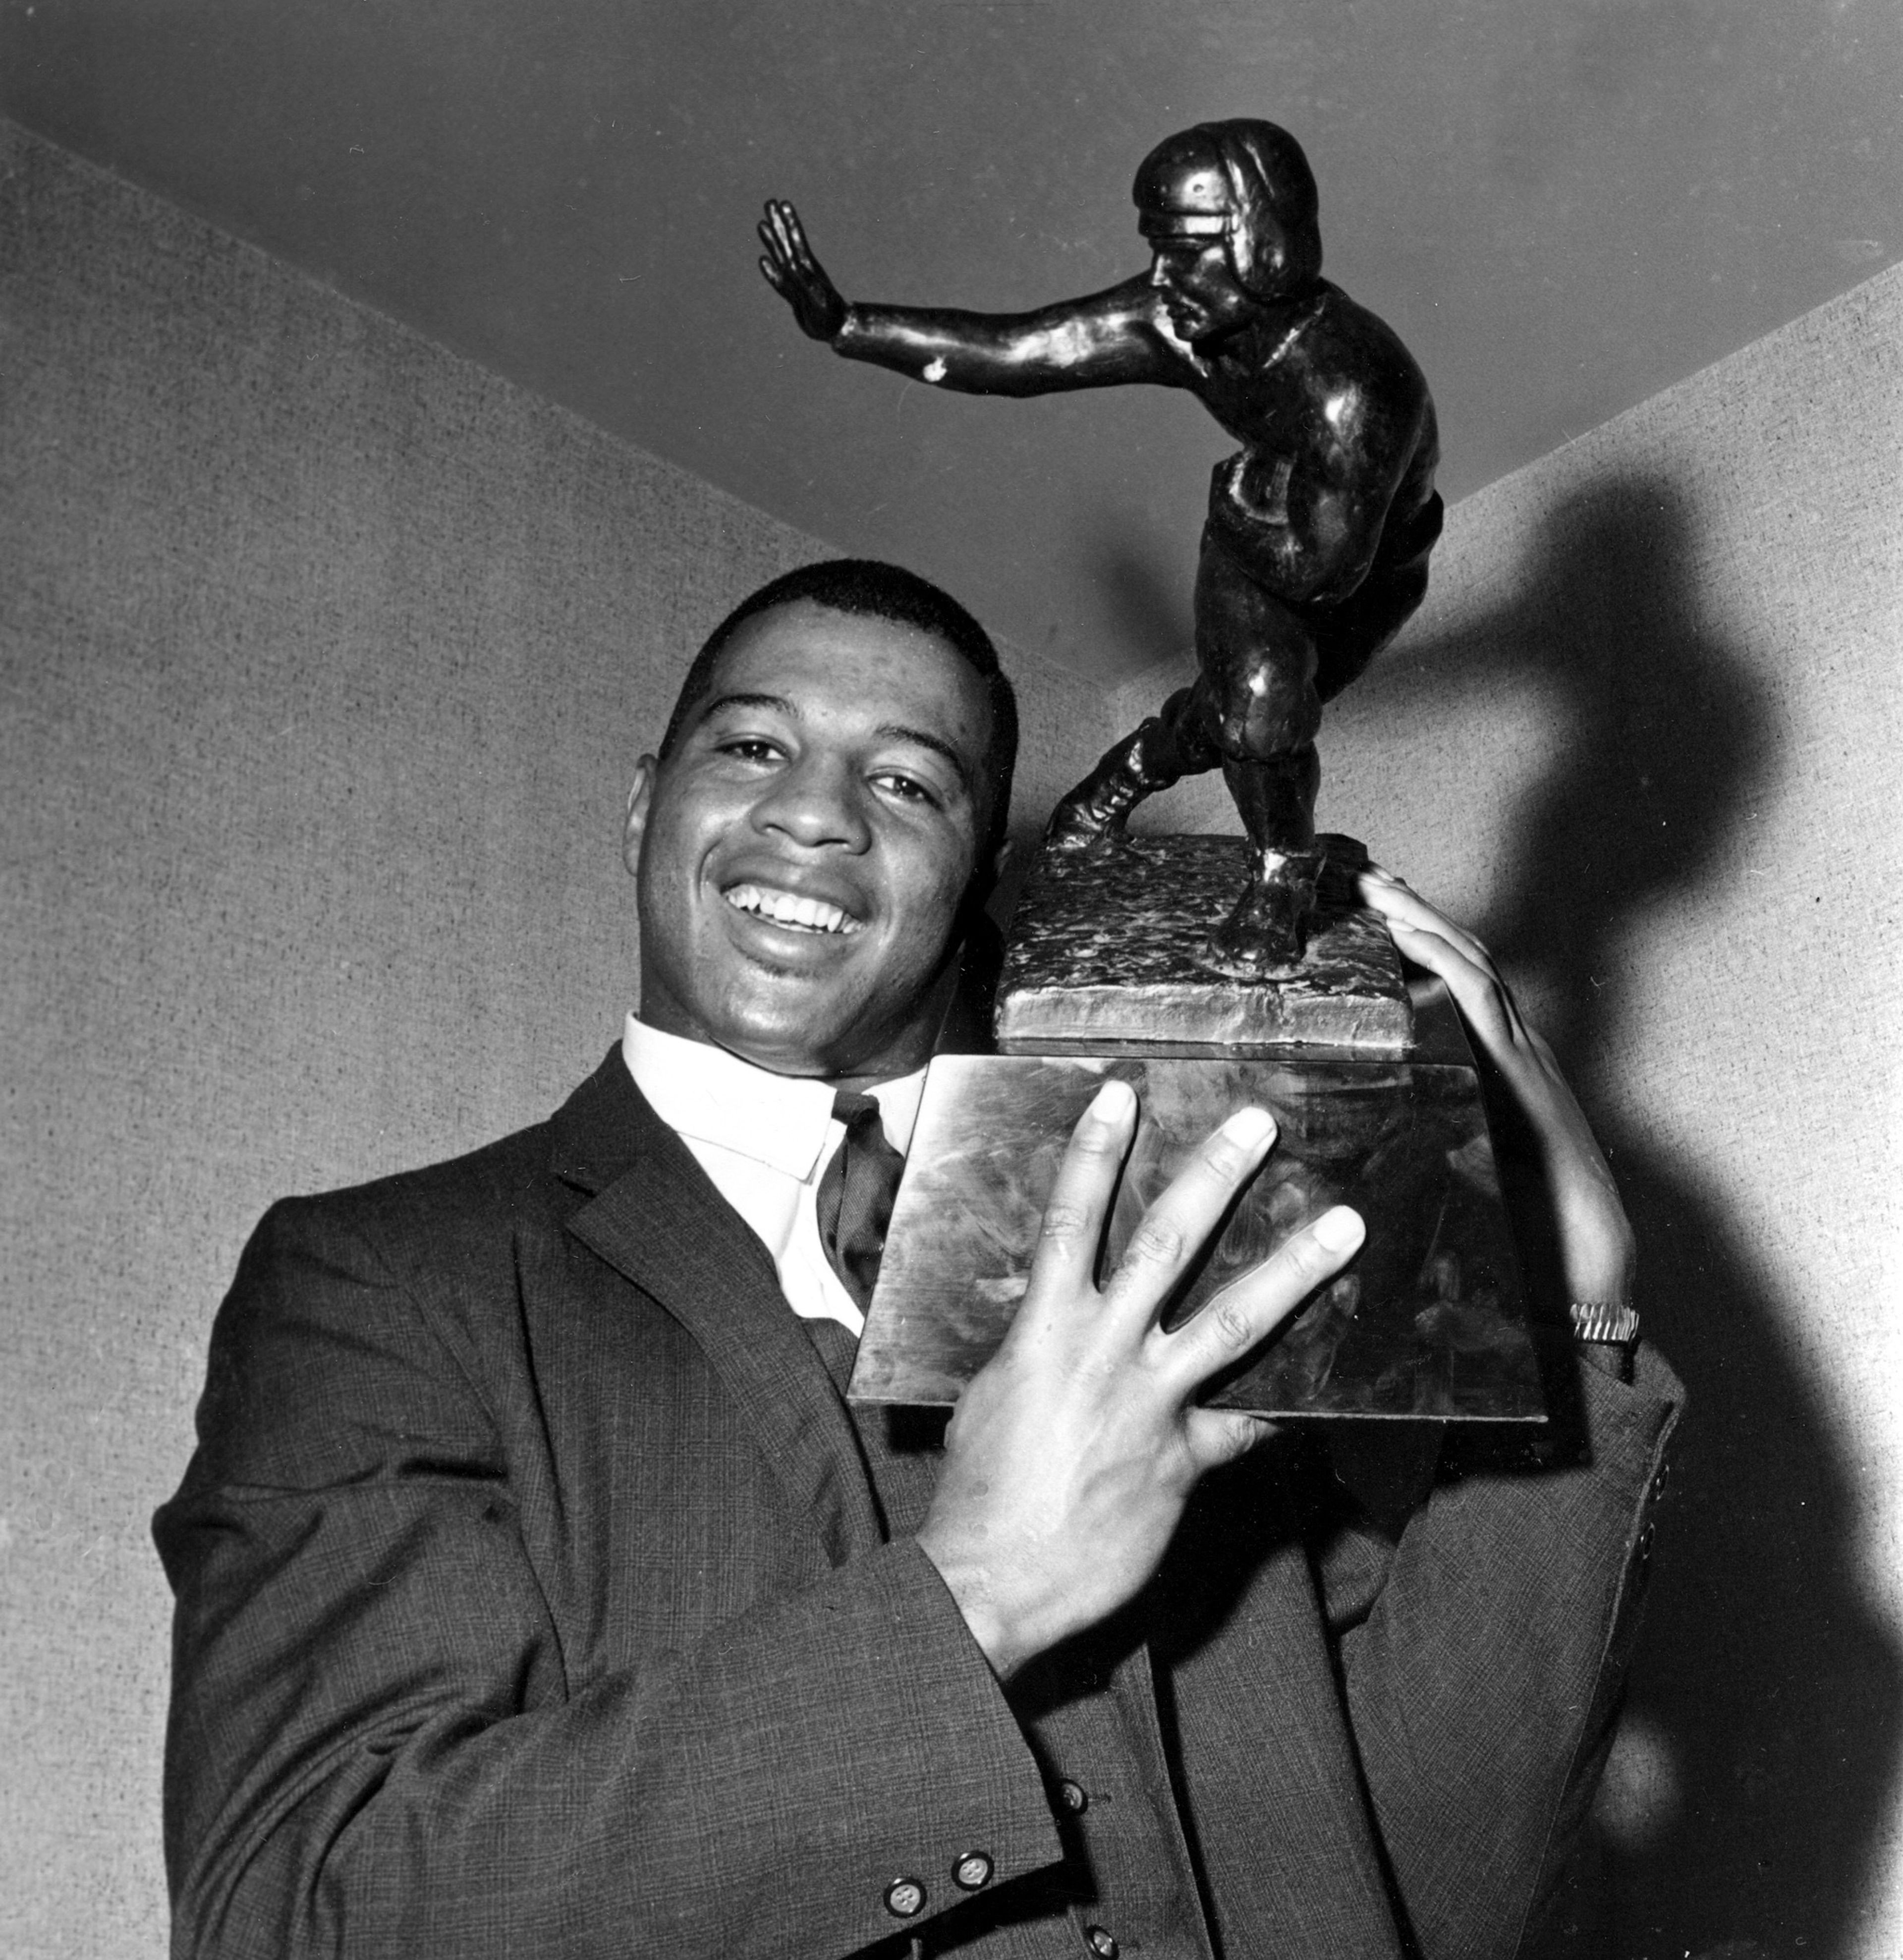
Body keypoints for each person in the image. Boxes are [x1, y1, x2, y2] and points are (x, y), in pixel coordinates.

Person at [156, 558, 1679, 1959]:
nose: (816, 814)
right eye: (750, 746)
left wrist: (1574, 1314)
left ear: (972, 898)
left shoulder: (1182, 1265)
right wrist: (980, 1590)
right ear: (643, 807)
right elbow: (301, 1908)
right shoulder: (383, 1277)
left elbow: (1419, 1888)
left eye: (907, 780)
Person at [759, 120, 1444, 972]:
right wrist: (850, 325)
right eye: (1158, 251)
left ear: (1262, 244)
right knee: (1261, 711)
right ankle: (1281, 874)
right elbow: (1019, 350)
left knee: (1247, 721)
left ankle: (1129, 769)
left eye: (1187, 251)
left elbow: (1325, 569)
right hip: (1260, 527)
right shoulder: (1179, 319)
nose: (1164, 278)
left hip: (1363, 563)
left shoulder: (1353, 386)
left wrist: (1227, 505)